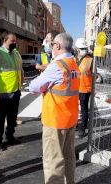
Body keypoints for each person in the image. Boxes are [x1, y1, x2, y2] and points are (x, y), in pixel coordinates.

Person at [29, 33, 79, 184]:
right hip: (70, 118)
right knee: (69, 157)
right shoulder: (73, 64)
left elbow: (34, 86)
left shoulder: (57, 66)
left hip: (56, 120)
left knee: (53, 162)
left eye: (52, 45)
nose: (50, 48)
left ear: (57, 46)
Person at [0, 32, 24, 150]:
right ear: (4, 40)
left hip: (16, 90)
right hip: (3, 92)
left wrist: (21, 86)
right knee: (0, 118)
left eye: (15, 41)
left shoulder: (16, 53)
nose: (15, 43)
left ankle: (10, 136)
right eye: (12, 41)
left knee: (12, 117)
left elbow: (19, 70)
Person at [75, 38, 93, 138]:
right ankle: (76, 125)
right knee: (75, 109)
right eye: (82, 48)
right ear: (77, 49)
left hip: (85, 89)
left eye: (84, 48)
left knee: (84, 110)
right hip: (76, 88)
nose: (84, 50)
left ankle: (82, 130)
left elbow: (95, 75)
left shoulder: (90, 59)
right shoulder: (75, 59)